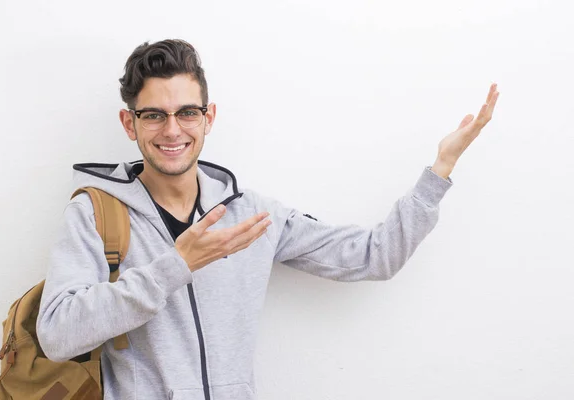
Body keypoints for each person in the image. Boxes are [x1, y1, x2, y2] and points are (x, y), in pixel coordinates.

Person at [36, 39, 499, 400]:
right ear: (128, 123)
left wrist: (439, 171)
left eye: (187, 113)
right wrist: (173, 267)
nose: (172, 130)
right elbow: (57, 334)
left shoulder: (252, 216)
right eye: (154, 115)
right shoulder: (95, 212)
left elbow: (374, 257)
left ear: (208, 117)